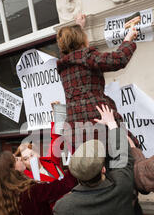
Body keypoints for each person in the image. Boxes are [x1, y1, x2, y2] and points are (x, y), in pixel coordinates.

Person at [56, 14, 139, 149]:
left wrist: (79, 27)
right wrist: (128, 39)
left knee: (93, 164)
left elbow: (71, 48)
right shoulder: (86, 57)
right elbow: (118, 59)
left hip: (75, 127)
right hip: (97, 119)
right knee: (128, 151)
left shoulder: (63, 65)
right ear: (81, 40)